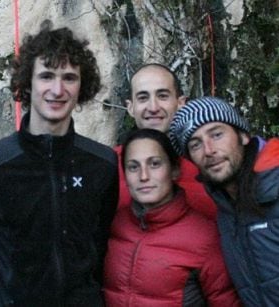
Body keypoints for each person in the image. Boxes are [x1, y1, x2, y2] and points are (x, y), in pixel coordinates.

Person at [0, 20, 119, 306]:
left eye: (69, 77)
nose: (57, 90)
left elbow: (104, 246)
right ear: (27, 83)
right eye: (46, 76)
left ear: (82, 85)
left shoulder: (102, 165)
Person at [103, 128, 240, 306]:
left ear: (174, 170)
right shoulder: (113, 223)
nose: (143, 176)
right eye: (133, 167)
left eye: (154, 164)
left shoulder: (205, 236)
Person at [169, 96, 279, 306]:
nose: (209, 150)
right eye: (195, 144)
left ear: (243, 135)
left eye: (217, 134)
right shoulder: (226, 210)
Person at [117, 63, 216, 219]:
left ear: (181, 103)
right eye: (143, 98)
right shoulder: (110, 164)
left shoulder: (208, 159)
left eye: (162, 96)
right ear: (130, 108)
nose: (153, 107)